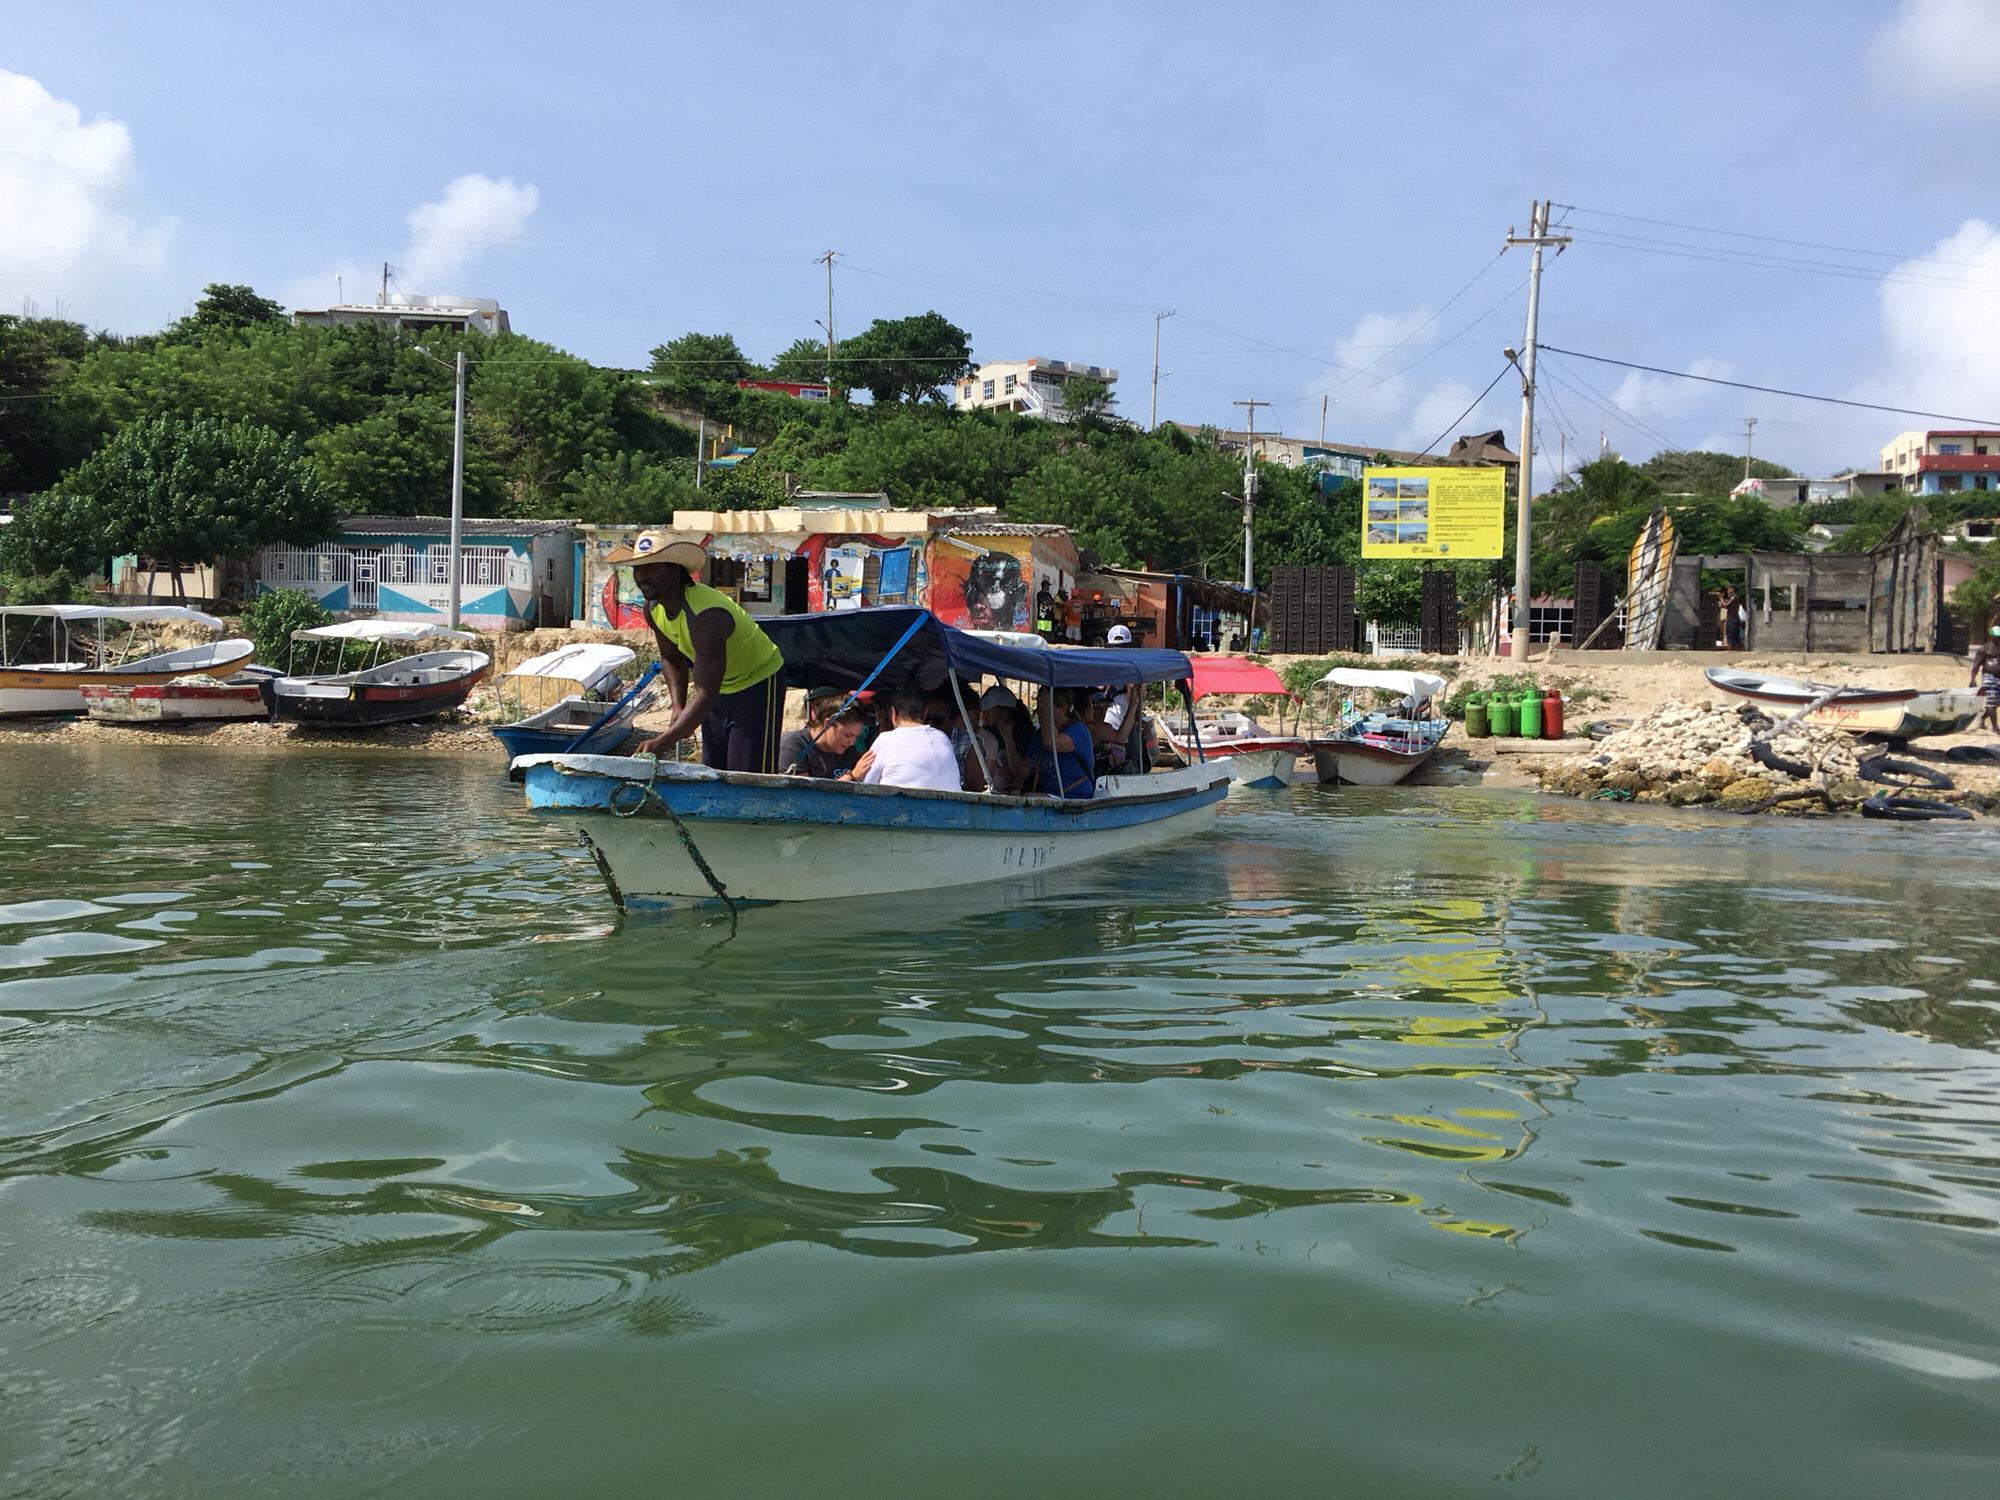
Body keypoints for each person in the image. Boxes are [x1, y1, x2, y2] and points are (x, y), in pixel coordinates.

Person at [612, 532, 787, 772]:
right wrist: (677, 706)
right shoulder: (652, 607)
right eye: (638, 569)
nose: (642, 576)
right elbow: (670, 658)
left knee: (748, 773)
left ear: (675, 570)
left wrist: (664, 741)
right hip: (719, 687)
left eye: (652, 567)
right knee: (712, 771)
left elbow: (706, 690)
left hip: (756, 682)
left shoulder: (707, 616)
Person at [854, 690, 963, 791]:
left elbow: (867, 785)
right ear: (925, 713)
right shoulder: (942, 737)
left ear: (893, 713)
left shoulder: (885, 739)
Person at [779, 689, 867, 780]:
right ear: (828, 724)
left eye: (856, 736)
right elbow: (804, 792)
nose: (852, 742)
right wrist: (851, 777)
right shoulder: (794, 745)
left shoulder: (849, 751)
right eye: (848, 735)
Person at [1032, 686, 1096, 799]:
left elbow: (1051, 743)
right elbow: (1023, 769)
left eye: (1042, 707)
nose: (1038, 711)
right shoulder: (1040, 734)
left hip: (1075, 796)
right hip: (1049, 795)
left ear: (1062, 709)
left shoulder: (1078, 730)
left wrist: (1045, 711)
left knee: (1029, 798)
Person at [1971, 624, 2000, 734]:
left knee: (1997, 702)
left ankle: (1983, 718)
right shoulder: (1984, 649)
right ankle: (1995, 727)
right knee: (1991, 702)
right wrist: (1973, 679)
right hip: (1989, 677)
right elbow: (1976, 665)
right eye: (1997, 637)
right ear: (1992, 636)